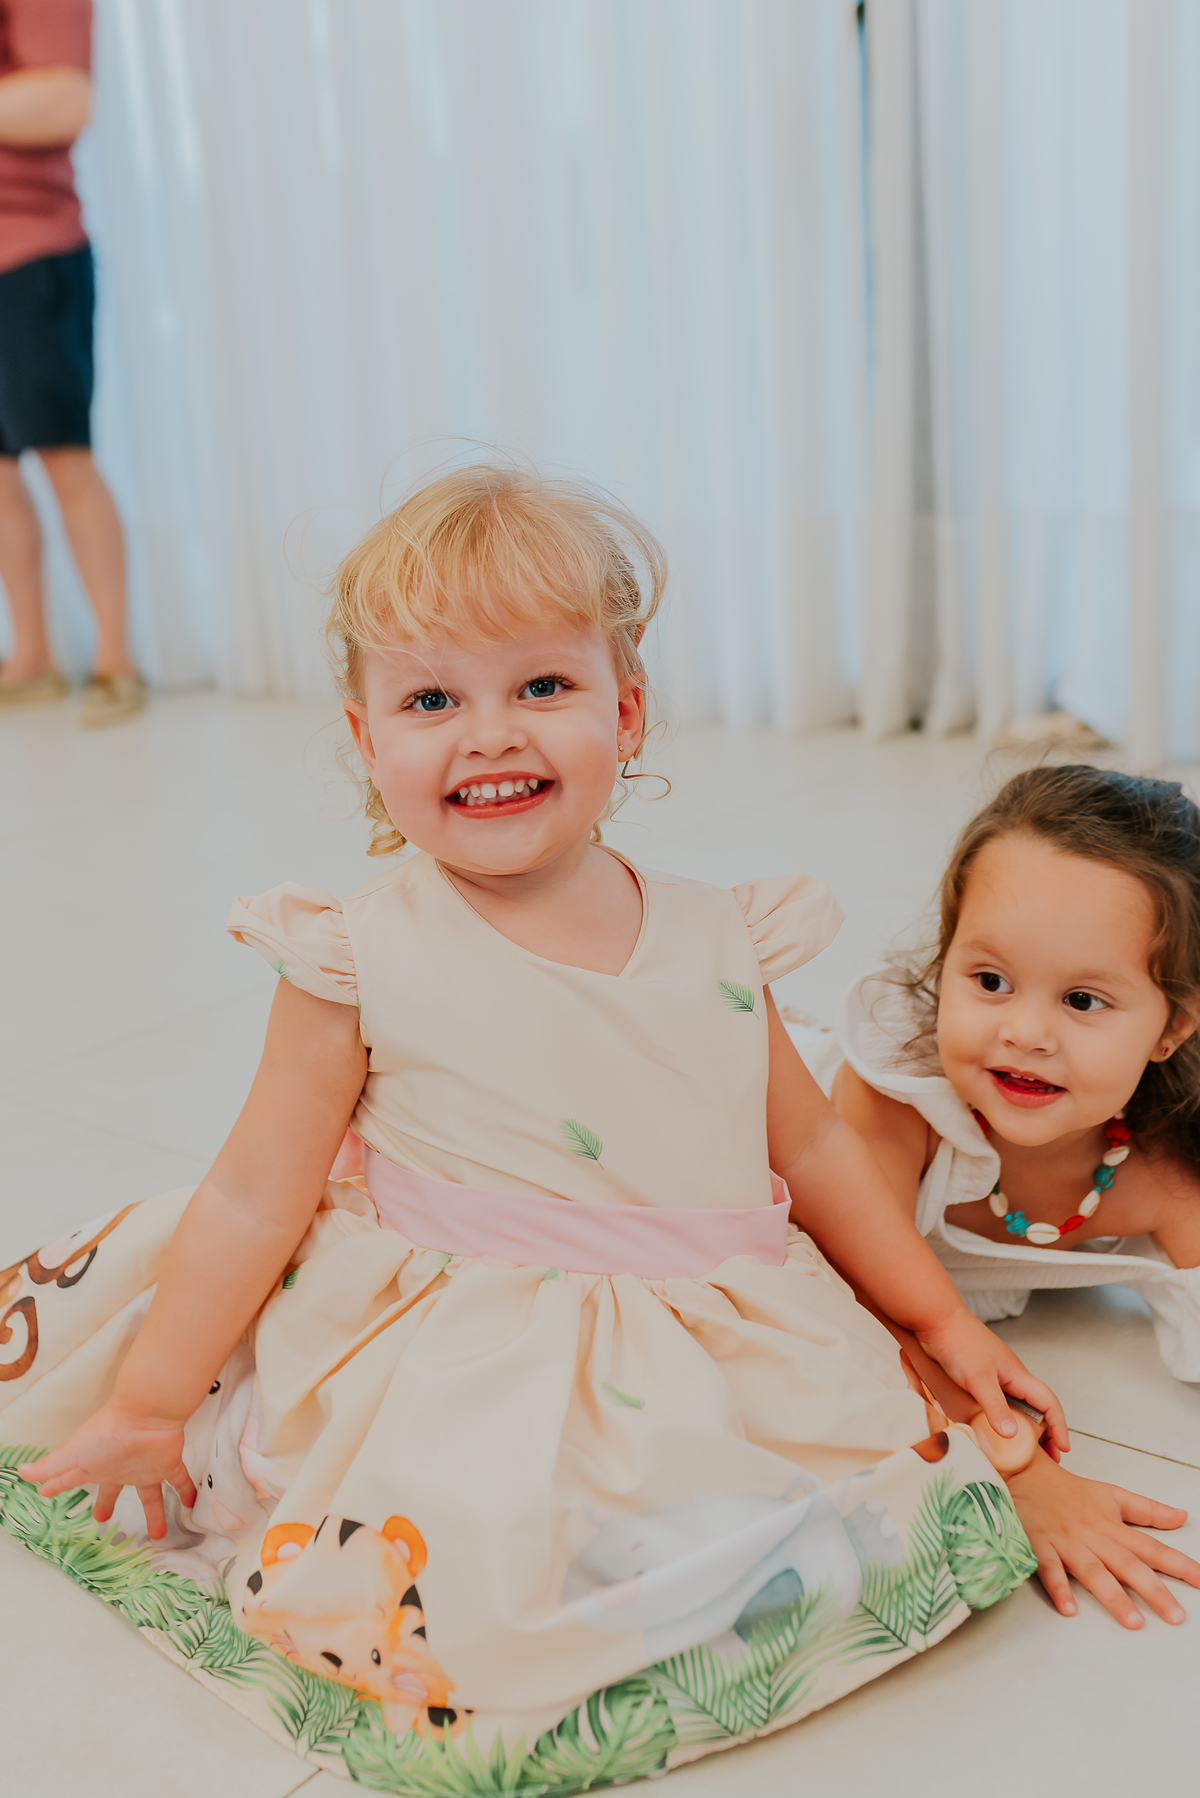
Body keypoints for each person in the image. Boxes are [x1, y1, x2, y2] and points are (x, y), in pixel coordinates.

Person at [1, 474, 1194, 1791]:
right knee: (480, 1557)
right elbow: (247, 1197)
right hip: (465, 1331)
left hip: (703, 1309)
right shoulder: (356, 955)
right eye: (432, 699)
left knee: (801, 1493)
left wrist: (947, 1322)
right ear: (365, 736)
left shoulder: (720, 935)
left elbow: (814, 1157)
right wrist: (151, 1399)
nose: (488, 734)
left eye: (542, 687)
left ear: (625, 709)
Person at [0, 0, 144, 726]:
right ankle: (31, 658)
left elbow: (63, 98)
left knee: (64, 456)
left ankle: (116, 658)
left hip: (30, 255)